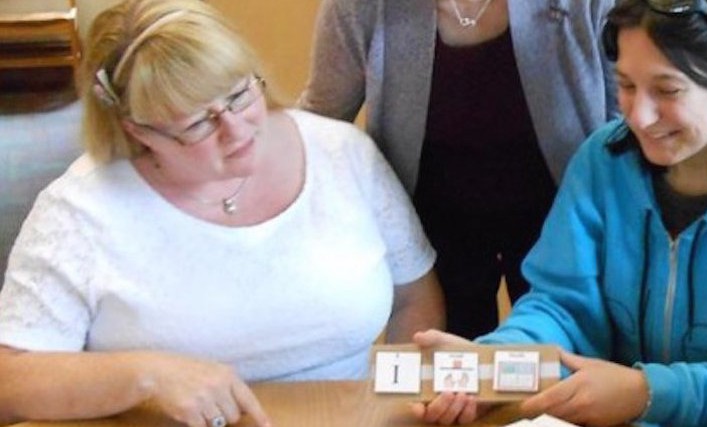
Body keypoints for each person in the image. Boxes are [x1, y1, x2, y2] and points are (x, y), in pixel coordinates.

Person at [0, 0, 445, 425]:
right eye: (197, 123)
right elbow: (9, 383)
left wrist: (396, 407)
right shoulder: (80, 211)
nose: (237, 131)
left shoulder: (341, 152)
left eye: (238, 95)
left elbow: (414, 296)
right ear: (138, 131)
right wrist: (143, 377)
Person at [411, 0, 707, 425]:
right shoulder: (603, 160)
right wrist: (500, 364)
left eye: (667, 90)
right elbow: (562, 306)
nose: (639, 117)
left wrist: (646, 393)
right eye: (625, 85)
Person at [300, 0, 618, 339]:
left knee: (560, 369)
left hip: (564, 227)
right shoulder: (359, 7)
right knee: (444, 380)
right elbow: (320, 129)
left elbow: (624, 123)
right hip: (430, 237)